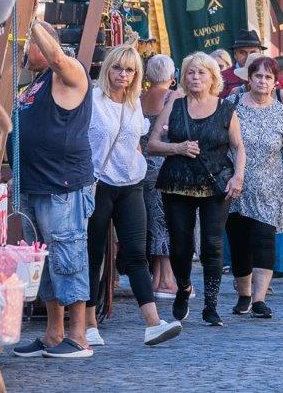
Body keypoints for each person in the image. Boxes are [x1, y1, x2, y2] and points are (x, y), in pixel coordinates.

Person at [83, 45, 182, 347]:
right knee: (94, 254)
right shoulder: (92, 100)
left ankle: (152, 323)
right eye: (117, 68)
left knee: (138, 253)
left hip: (131, 182)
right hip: (98, 183)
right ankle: (87, 325)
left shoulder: (133, 104)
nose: (123, 75)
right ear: (108, 69)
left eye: (129, 70)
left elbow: (136, 140)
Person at [10, 21, 97, 360]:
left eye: (26, 44)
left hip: (62, 184)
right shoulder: (35, 82)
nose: (21, 52)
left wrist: (31, 20)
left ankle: (78, 336)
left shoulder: (68, 72)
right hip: (34, 183)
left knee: (68, 254)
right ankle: (52, 333)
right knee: (42, 260)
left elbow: (58, 58)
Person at [148, 52, 245, 326]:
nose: (195, 77)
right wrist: (177, 147)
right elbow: (152, 143)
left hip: (215, 183)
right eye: (191, 72)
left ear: (213, 78)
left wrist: (238, 177)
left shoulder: (226, 108)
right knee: (180, 245)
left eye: (202, 73)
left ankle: (211, 305)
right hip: (177, 182)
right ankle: (184, 286)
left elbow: (238, 147)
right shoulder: (174, 105)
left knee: (212, 246)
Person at [226, 55, 283, 319]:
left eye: (268, 77)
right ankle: (244, 295)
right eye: (257, 76)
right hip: (237, 185)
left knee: (264, 240)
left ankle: (259, 299)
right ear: (249, 79)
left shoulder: (282, 113)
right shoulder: (232, 106)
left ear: (275, 82)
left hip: (271, 186)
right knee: (239, 243)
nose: (262, 81)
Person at [140, 54, 176, 298]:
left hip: (141, 167)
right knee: (168, 222)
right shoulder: (172, 98)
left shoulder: (140, 97)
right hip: (166, 166)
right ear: (172, 77)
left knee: (153, 222)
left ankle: (157, 277)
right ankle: (167, 278)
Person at [221, 29, 265, 98]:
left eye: (253, 52)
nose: (248, 56)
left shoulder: (273, 77)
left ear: (260, 53)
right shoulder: (222, 78)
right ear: (235, 54)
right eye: (243, 52)